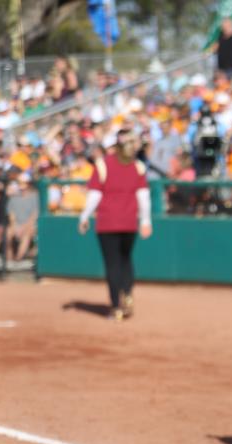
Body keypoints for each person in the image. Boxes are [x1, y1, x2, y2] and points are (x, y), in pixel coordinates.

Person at [78, 128, 153, 322]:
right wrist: (145, 221)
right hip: (129, 223)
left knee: (112, 264)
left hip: (108, 222)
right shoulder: (138, 166)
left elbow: (95, 195)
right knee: (126, 259)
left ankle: (115, 305)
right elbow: (143, 197)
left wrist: (84, 216)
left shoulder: (103, 165)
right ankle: (127, 291)